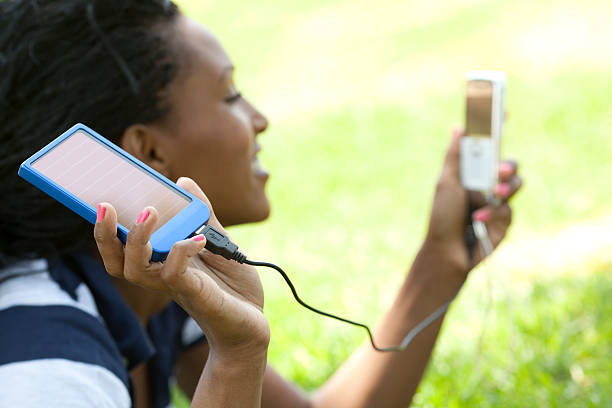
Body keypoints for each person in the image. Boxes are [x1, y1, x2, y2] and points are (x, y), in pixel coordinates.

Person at [0, 0, 522, 407]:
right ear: (147, 151)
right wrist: (235, 356)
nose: (259, 118)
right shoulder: (46, 362)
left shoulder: (151, 287)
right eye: (229, 95)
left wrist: (441, 257)